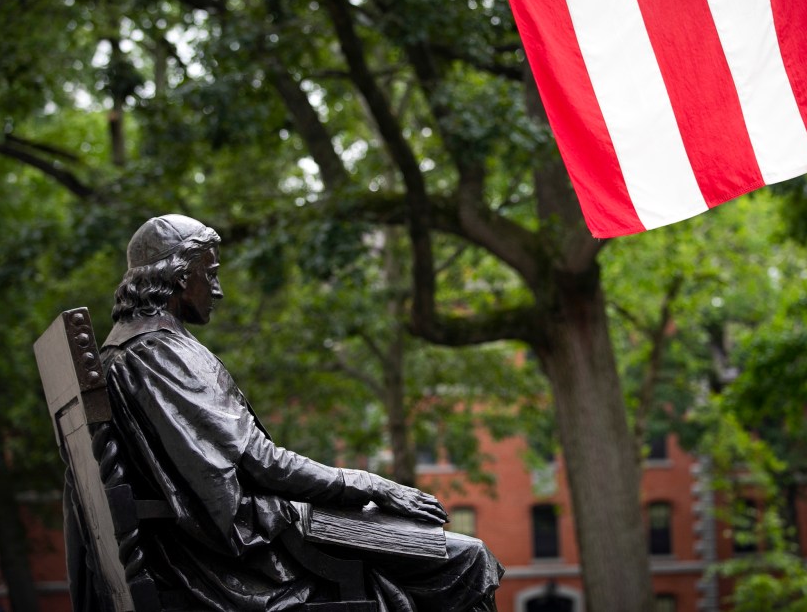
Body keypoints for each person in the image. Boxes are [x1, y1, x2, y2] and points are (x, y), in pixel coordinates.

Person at [82, 214, 502, 611]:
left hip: (203, 546)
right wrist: (369, 484)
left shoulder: (124, 352)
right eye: (209, 273)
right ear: (177, 275)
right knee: (466, 559)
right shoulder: (163, 353)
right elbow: (261, 463)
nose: (217, 289)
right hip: (249, 553)